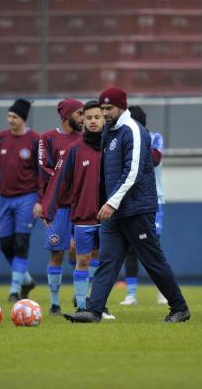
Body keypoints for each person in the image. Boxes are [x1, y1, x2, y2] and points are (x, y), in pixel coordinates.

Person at [63, 86, 191, 323]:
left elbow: (131, 173)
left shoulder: (133, 130)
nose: (105, 113)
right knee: (107, 261)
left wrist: (110, 203)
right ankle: (94, 310)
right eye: (102, 109)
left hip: (137, 209)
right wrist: (107, 203)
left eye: (108, 108)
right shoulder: (109, 131)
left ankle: (179, 308)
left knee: (153, 260)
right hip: (116, 211)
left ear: (121, 106)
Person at [42, 100, 114, 319]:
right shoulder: (74, 149)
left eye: (97, 117)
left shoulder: (113, 145)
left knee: (102, 261)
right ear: (84, 120)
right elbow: (58, 179)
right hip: (83, 215)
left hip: (109, 215)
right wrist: (49, 209)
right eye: (89, 117)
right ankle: (83, 306)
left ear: (104, 118)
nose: (92, 121)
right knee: (82, 259)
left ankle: (97, 303)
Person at [0, 98, 40, 302]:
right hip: (5, 199)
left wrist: (40, 200)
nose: (10, 120)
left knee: (21, 243)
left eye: (15, 116)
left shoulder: (35, 140)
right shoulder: (1, 138)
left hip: (28, 197)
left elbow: (43, 173)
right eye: (9, 115)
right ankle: (26, 280)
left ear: (23, 118)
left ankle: (14, 290)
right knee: (5, 245)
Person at [38, 98, 84, 315]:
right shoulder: (47, 139)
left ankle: (81, 296)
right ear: (67, 115)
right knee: (57, 253)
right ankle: (54, 303)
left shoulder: (84, 139)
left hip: (81, 205)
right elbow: (42, 169)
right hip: (59, 207)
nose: (83, 118)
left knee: (83, 252)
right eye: (80, 114)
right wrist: (64, 179)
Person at [119, 105, 167, 306]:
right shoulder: (122, 138)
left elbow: (154, 160)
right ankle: (131, 294)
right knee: (130, 248)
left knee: (153, 246)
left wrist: (138, 139)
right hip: (129, 199)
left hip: (154, 200)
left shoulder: (154, 138)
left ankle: (163, 291)